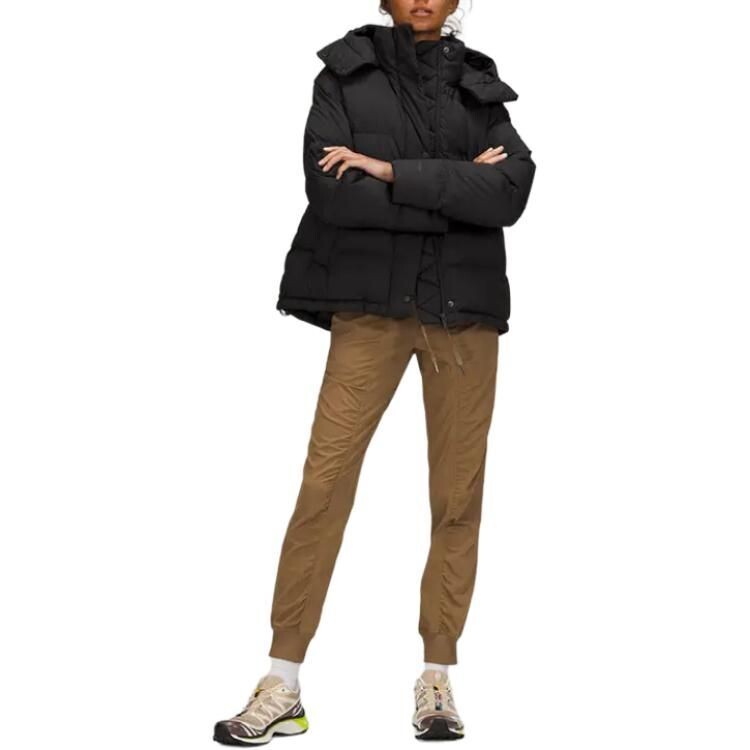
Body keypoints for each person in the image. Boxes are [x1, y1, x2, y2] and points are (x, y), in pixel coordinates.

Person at [213, 0, 535, 743]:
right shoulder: (344, 74)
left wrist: (389, 171)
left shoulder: (480, 85)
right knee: (324, 484)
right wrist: (457, 186)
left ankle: (437, 678)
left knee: (458, 494)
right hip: (370, 308)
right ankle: (282, 681)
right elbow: (333, 192)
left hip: (464, 314)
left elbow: (512, 193)